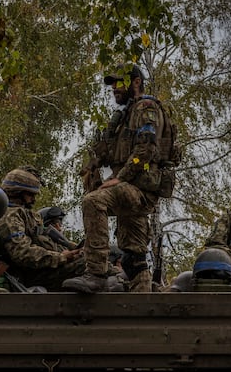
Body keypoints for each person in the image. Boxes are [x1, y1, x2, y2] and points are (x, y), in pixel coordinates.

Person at [63, 65, 179, 293]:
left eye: (120, 82)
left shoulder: (146, 108)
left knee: (94, 202)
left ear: (136, 82)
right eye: (113, 84)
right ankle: (142, 305)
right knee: (133, 257)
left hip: (139, 189)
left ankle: (95, 273)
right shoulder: (126, 115)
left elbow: (145, 148)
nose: (115, 88)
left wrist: (121, 178)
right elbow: (110, 151)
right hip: (131, 190)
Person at [0, 168, 84, 291]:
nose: (33, 200)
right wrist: (61, 257)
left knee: (90, 257)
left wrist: (72, 251)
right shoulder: (9, 216)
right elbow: (22, 253)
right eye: (30, 195)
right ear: (17, 192)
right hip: (28, 276)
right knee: (87, 263)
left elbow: (45, 240)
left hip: (42, 270)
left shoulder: (27, 215)